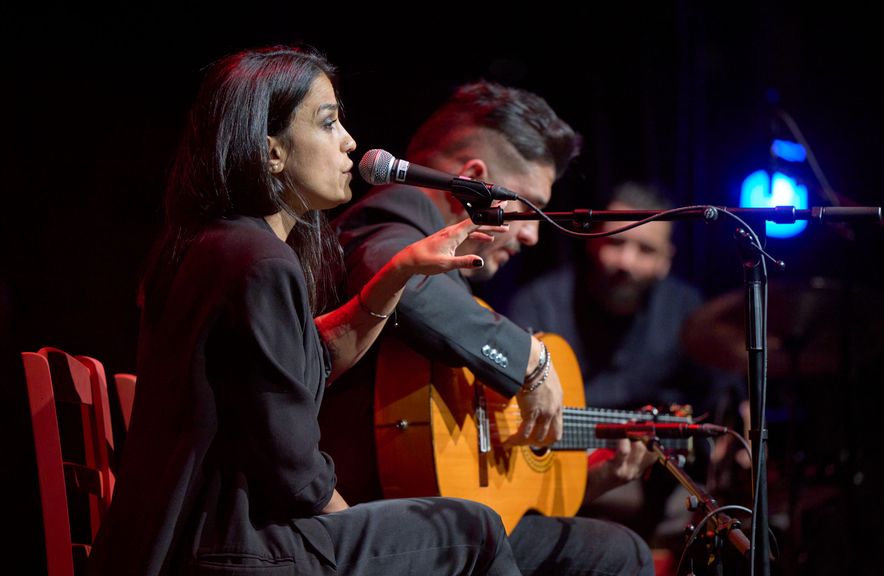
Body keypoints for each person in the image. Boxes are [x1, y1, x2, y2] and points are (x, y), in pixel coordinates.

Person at [87, 45, 524, 576]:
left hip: (199, 539)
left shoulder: (214, 246)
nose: (351, 142)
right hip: (232, 549)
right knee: (472, 530)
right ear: (271, 152)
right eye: (328, 123)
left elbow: (305, 362)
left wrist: (400, 273)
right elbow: (293, 469)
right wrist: (353, 533)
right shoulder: (259, 262)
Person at [321, 81, 654, 575]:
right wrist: (531, 361)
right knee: (617, 553)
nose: (533, 233)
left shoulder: (448, 267)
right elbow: (403, 283)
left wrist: (583, 478)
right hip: (362, 525)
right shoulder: (389, 217)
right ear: (473, 180)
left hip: (415, 508)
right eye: (528, 208)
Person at [507, 182, 746, 543]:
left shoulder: (685, 310)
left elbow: (725, 393)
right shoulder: (539, 304)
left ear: (666, 260)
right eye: (616, 242)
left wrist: (736, 432)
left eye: (645, 249)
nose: (626, 262)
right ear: (592, 241)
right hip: (555, 476)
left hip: (658, 483)